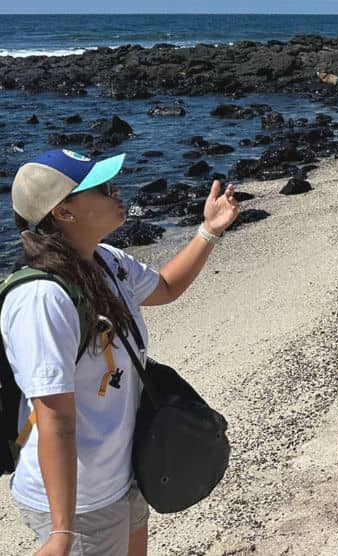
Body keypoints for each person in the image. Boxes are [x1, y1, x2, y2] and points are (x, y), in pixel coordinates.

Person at [2, 149, 239, 555]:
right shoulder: (42, 299)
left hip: (124, 470)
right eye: (100, 187)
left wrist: (209, 230)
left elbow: (165, 287)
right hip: (79, 500)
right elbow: (54, 418)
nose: (117, 191)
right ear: (64, 212)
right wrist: (61, 532)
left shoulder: (107, 262)